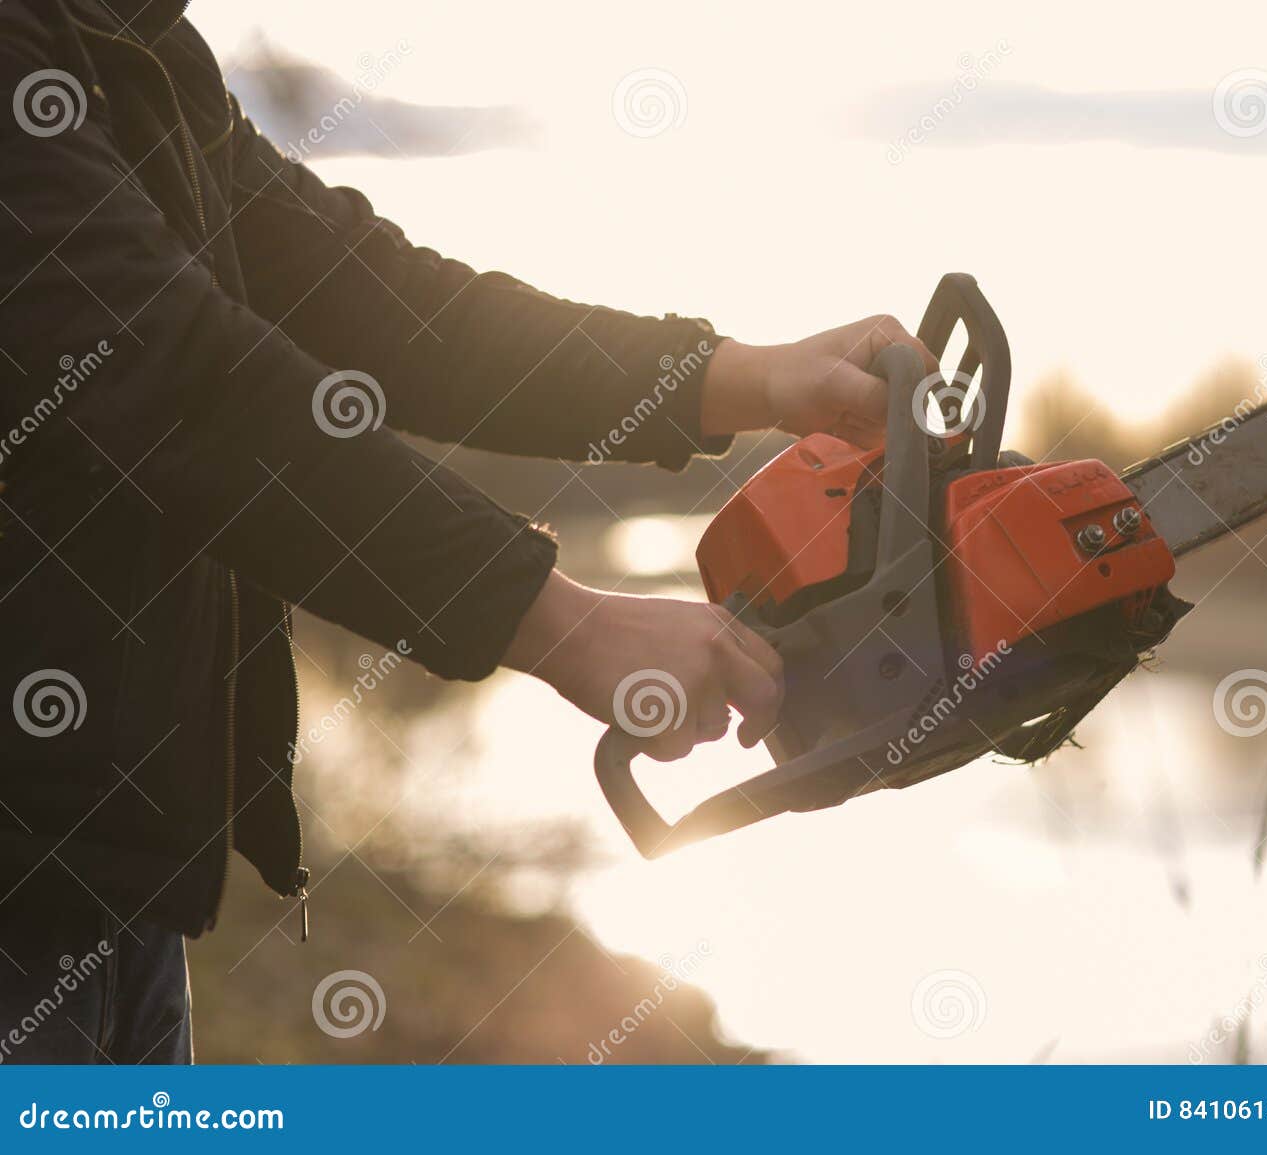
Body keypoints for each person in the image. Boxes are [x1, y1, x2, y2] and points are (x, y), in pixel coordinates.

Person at [0, 0, 934, 1063]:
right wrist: (562, 624)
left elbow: (374, 300)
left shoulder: (137, 46)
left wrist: (744, 377)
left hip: (110, 879)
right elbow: (186, 388)